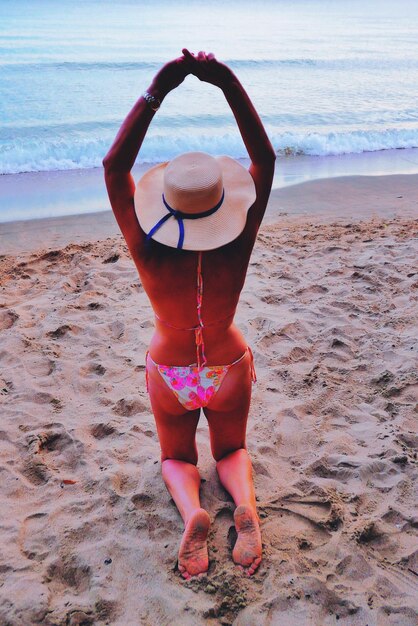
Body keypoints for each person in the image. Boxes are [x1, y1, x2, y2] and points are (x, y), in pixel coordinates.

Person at [103, 49, 275, 579]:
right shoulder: (237, 240)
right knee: (232, 449)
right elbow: (265, 160)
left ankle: (192, 511)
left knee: (177, 459)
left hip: (170, 368)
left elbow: (114, 166)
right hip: (227, 362)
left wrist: (159, 89)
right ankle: (244, 504)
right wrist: (225, 83)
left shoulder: (147, 245)